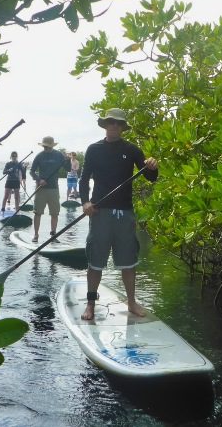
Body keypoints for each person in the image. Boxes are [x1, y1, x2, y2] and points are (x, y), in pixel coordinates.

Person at [79, 108, 158, 320]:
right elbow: (84, 179)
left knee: (128, 262)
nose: (114, 126)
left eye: (118, 123)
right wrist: (85, 202)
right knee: (95, 261)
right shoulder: (93, 149)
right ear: (105, 125)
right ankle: (90, 304)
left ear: (123, 127)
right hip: (100, 212)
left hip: (125, 213)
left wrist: (152, 165)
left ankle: (132, 302)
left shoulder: (132, 150)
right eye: (111, 122)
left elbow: (151, 177)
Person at [29, 136, 70, 243]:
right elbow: (32, 171)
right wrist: (38, 179)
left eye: (47, 146)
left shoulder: (59, 155)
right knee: (37, 213)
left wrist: (68, 160)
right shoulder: (39, 156)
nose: (46, 148)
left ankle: (53, 235)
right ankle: (36, 235)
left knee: (55, 213)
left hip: (54, 189)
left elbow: (68, 169)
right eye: (44, 146)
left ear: (52, 146)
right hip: (41, 188)